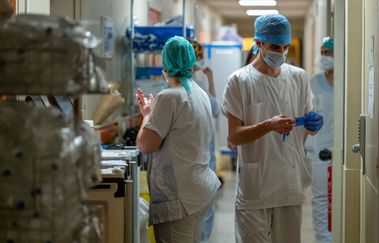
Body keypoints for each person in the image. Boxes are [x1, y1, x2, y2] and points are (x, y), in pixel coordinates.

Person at [222, 14, 324, 243]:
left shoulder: (298, 78)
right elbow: (235, 137)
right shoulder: (239, 81)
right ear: (258, 43)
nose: (281, 52)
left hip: (289, 184)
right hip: (255, 189)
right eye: (275, 46)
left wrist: (312, 126)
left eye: (285, 46)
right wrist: (268, 125)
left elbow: (305, 127)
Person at [136, 36, 221, 243]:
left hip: (180, 198)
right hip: (198, 189)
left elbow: (145, 145)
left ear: (166, 65)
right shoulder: (199, 93)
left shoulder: (169, 97)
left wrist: (146, 114)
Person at [187, 38, 220, 242]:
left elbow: (215, 107)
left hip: (198, 161)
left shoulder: (197, 87)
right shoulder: (194, 89)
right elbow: (216, 108)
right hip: (199, 161)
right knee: (201, 212)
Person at [305, 37, 334, 243]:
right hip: (319, 154)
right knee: (320, 201)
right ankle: (323, 240)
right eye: (322, 52)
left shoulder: (349, 83)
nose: (324, 57)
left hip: (343, 154)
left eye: (328, 52)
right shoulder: (314, 83)